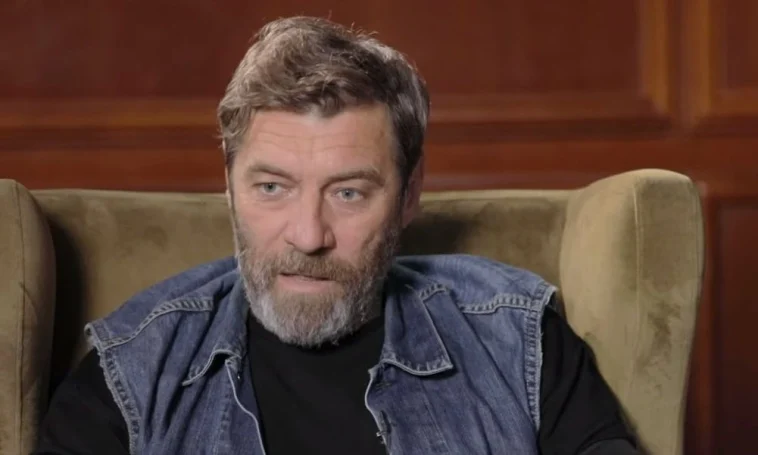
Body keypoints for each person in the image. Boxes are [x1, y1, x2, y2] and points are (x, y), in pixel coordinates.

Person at [35, 16, 639, 455]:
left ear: (409, 195)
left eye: (348, 193)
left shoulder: (517, 340)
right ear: (229, 187)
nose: (308, 235)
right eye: (272, 187)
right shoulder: (132, 369)